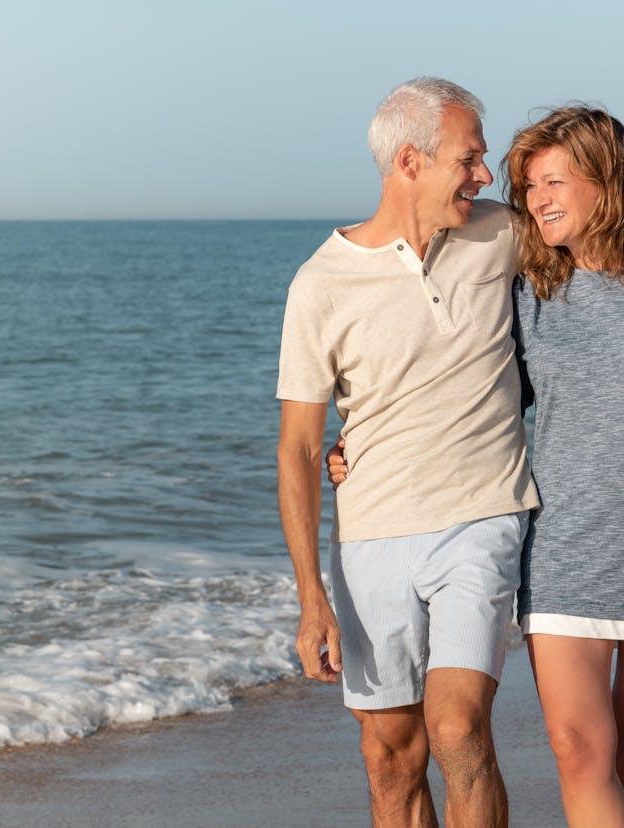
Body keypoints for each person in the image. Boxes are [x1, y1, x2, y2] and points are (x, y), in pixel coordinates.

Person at [276, 77, 539, 827]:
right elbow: (298, 448)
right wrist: (310, 599)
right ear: (410, 162)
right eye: (471, 158)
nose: (485, 176)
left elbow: (592, 225)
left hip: (482, 518)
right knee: (390, 758)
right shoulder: (320, 283)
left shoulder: (501, 235)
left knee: (458, 728)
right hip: (371, 539)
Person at [503, 106, 624, 826]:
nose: (537, 198)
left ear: (605, 178)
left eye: (553, 180)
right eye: (528, 187)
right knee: (577, 749)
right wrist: (356, 443)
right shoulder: (532, 296)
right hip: (566, 550)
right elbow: (474, 403)